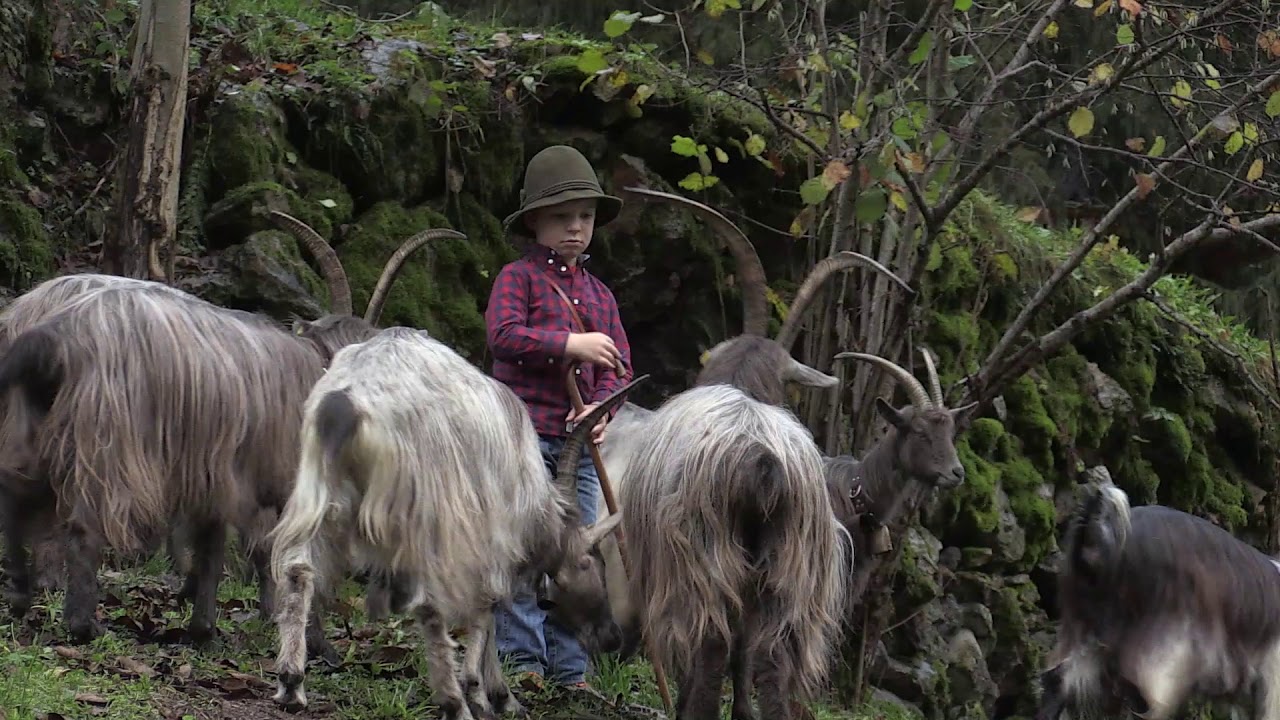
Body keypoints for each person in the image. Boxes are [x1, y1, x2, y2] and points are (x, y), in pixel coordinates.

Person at [484, 144, 633, 691]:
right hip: (521, 439)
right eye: (561, 217)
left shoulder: (601, 295)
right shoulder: (517, 279)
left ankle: (572, 669)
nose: (575, 228)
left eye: (586, 217)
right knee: (522, 552)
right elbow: (503, 338)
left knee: (579, 560)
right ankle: (523, 665)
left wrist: (604, 410)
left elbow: (620, 368)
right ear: (534, 222)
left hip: (581, 449)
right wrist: (570, 344)